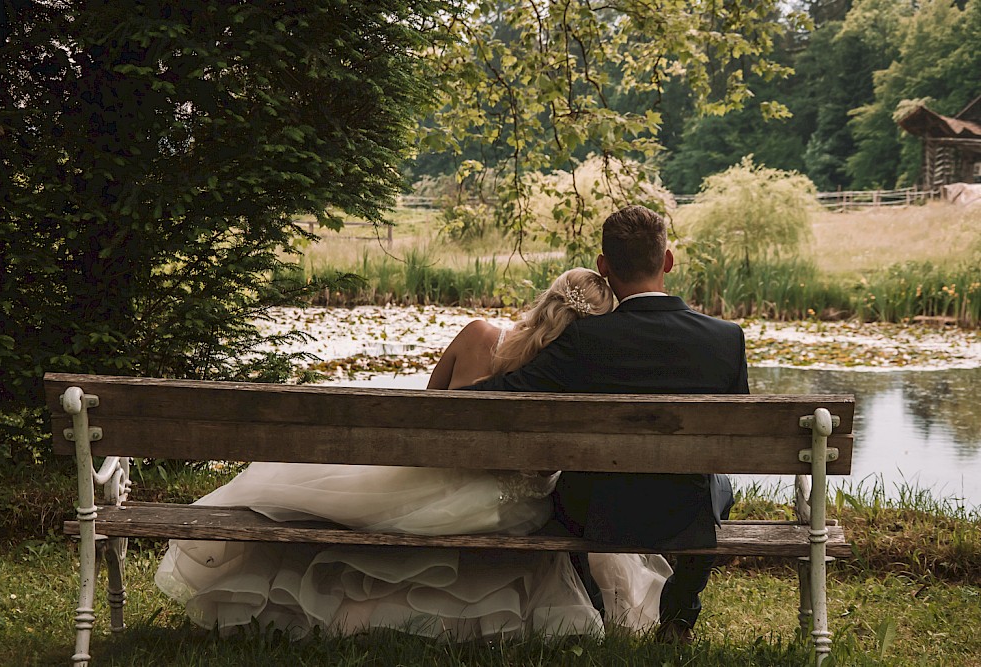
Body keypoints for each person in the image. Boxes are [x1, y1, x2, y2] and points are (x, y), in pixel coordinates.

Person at [155, 267, 673, 641]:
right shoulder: (574, 373)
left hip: (444, 481)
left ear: (544, 301)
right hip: (516, 508)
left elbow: (421, 418)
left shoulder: (480, 336)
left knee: (316, 490)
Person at [466, 206, 746, 643]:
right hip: (684, 515)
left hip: (594, 514)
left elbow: (502, 397)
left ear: (603, 266)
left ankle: (596, 606)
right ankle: (679, 615)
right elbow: (738, 440)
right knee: (718, 484)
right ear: (667, 261)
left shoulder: (582, 340)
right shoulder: (726, 338)